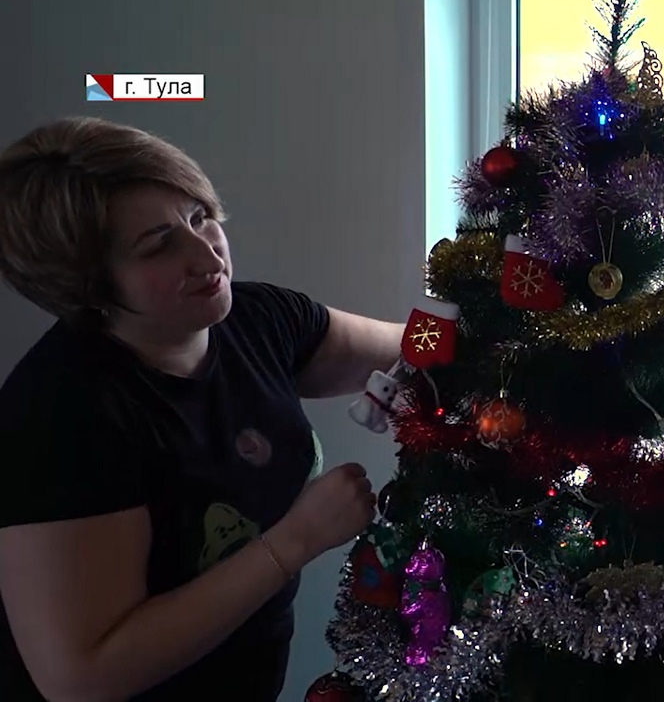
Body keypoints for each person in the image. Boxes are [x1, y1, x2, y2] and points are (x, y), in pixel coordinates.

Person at [0, 117, 405, 701]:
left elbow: (414, 348)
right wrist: (294, 541)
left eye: (199, 218)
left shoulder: (260, 321)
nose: (205, 254)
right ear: (87, 285)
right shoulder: (62, 416)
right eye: (158, 244)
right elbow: (82, 677)